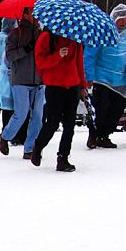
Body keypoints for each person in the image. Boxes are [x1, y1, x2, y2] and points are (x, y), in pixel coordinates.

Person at [29, 28, 86, 171]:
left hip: (72, 86)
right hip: (54, 86)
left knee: (69, 125)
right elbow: (40, 62)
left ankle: (63, 158)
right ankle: (38, 146)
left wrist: (82, 85)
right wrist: (57, 55)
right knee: (53, 123)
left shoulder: (75, 38)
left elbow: (79, 63)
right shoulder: (47, 37)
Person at [84, 3, 126, 148]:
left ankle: (105, 135)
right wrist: (88, 76)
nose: (123, 22)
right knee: (100, 107)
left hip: (120, 79)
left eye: (125, 19)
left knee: (116, 109)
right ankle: (93, 134)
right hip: (102, 77)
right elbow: (90, 54)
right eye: (120, 19)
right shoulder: (102, 30)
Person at [0, 8, 44, 160]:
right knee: (21, 114)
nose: (35, 16)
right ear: (25, 14)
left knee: (37, 116)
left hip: (39, 80)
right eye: (32, 12)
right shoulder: (15, 34)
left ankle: (29, 148)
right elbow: (10, 56)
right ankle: (5, 136)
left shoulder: (42, 33)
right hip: (20, 80)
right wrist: (25, 49)